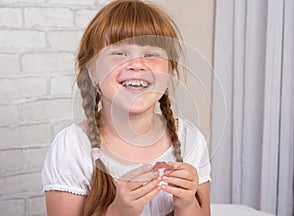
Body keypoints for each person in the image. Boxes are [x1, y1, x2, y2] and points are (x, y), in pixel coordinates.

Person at [41, 0, 211, 215]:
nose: (137, 64)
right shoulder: (73, 147)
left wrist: (187, 204)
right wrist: (118, 211)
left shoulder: (189, 139)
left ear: (169, 71)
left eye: (151, 54)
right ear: (92, 72)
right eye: (120, 53)